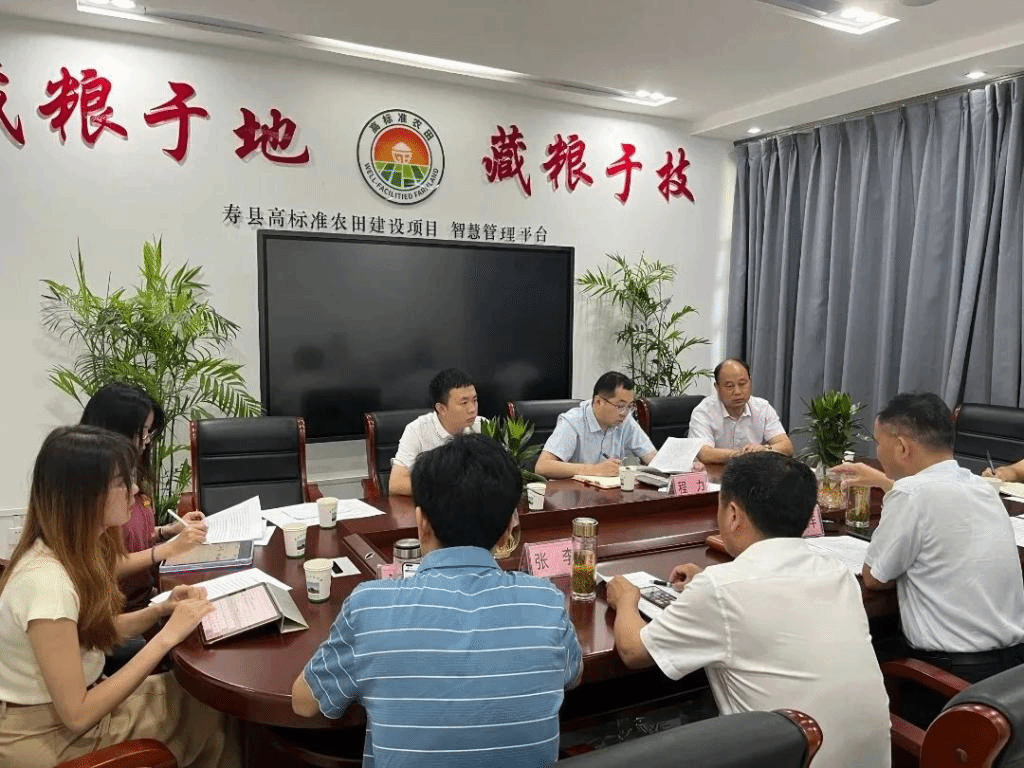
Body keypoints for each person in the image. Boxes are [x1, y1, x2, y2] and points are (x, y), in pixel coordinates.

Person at [293, 433, 582, 768]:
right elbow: (573, 675)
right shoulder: (546, 604)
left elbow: (304, 703)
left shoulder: (370, 608)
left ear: (421, 523)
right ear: (508, 529)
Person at [605, 452, 891, 768]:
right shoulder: (837, 573)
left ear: (733, 514)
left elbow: (632, 651)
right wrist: (707, 584)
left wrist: (626, 599)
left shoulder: (721, 588)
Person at [0, 426, 239, 768]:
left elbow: (87, 635)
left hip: (65, 713)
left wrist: (160, 610)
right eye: (121, 482)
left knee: (209, 701)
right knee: (216, 711)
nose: (135, 490)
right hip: (48, 736)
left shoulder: (67, 552)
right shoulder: (47, 584)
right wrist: (167, 637)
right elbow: (78, 715)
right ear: (84, 496)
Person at [834, 392, 1024, 683]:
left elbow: (875, 578)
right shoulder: (982, 488)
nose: (878, 452)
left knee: (850, 653)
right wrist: (886, 483)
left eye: (878, 443)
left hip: (948, 674)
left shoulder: (910, 495)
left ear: (902, 447)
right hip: (1010, 671)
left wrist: (892, 490)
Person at [80, 382, 207, 612]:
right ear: (118, 431)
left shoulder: (129, 470)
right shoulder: (90, 487)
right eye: (144, 431)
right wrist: (168, 549)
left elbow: (130, 538)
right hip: (117, 612)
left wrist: (167, 531)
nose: (147, 439)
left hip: (148, 597)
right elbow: (101, 565)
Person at [535, 371, 656, 479]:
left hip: (611, 493)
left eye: (629, 406)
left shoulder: (626, 420)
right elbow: (542, 467)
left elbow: (652, 457)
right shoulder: (573, 421)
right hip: (576, 494)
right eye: (620, 406)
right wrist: (594, 470)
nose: (625, 413)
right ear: (598, 402)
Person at [388, 368, 484, 495]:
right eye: (464, 402)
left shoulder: (483, 426)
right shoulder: (417, 430)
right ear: (441, 409)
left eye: (475, 400)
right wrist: (451, 489)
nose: (472, 409)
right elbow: (396, 483)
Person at [688, 359, 794, 464]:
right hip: (716, 471)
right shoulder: (703, 412)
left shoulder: (762, 408)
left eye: (742, 384)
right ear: (717, 388)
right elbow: (705, 453)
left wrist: (764, 449)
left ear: (750, 382)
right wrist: (741, 455)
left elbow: (786, 446)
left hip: (753, 471)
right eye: (730, 386)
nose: (737, 392)